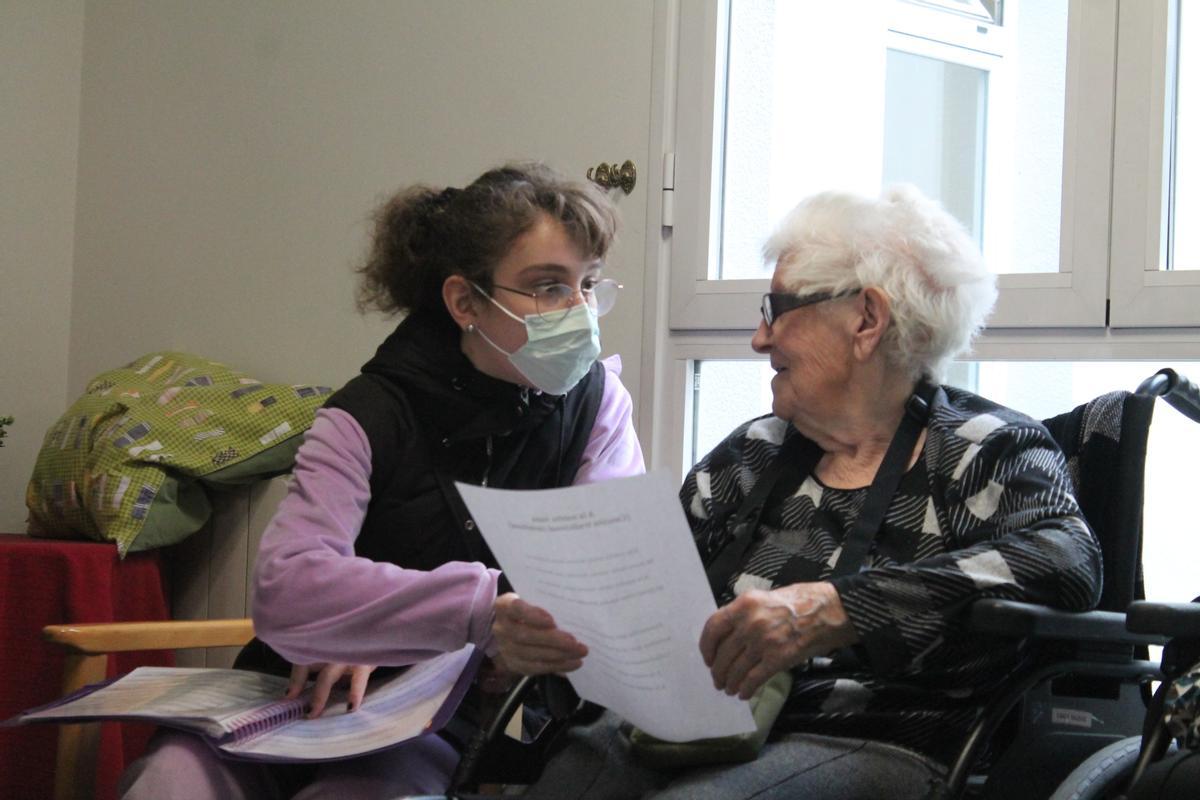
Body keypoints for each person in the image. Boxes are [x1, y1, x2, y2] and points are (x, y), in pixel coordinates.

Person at [493, 185, 1103, 799]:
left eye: (776, 308)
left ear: (867, 318)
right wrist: (558, 620)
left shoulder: (982, 447)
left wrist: (836, 610)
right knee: (566, 777)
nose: (759, 338)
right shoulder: (753, 452)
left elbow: (1066, 559)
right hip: (693, 730)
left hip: (874, 738)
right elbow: (650, 594)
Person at [118, 162, 645, 799]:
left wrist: (390, 633)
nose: (580, 312)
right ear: (464, 302)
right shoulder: (364, 413)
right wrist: (466, 613)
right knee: (172, 781)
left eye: (588, 285)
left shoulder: (598, 407)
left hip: (435, 720)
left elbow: (599, 586)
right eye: (549, 287)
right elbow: (288, 586)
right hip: (291, 692)